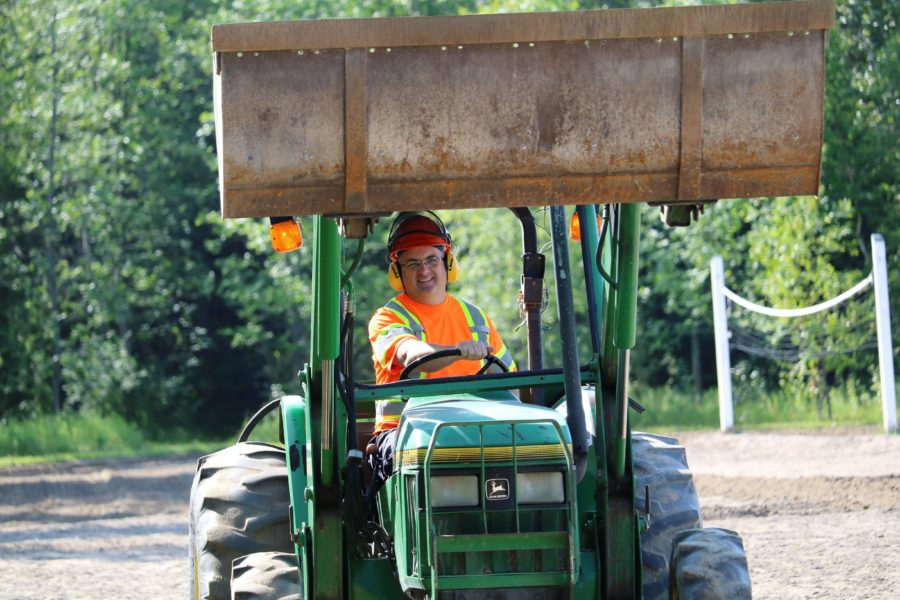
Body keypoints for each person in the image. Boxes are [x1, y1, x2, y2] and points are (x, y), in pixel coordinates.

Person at [365, 211, 516, 488]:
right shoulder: (387, 318)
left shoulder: (476, 317)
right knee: (429, 452)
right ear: (397, 272)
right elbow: (411, 354)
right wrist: (456, 351)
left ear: (448, 262)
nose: (424, 271)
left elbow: (511, 380)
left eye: (431, 260)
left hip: (476, 429)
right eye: (412, 263)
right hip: (405, 434)